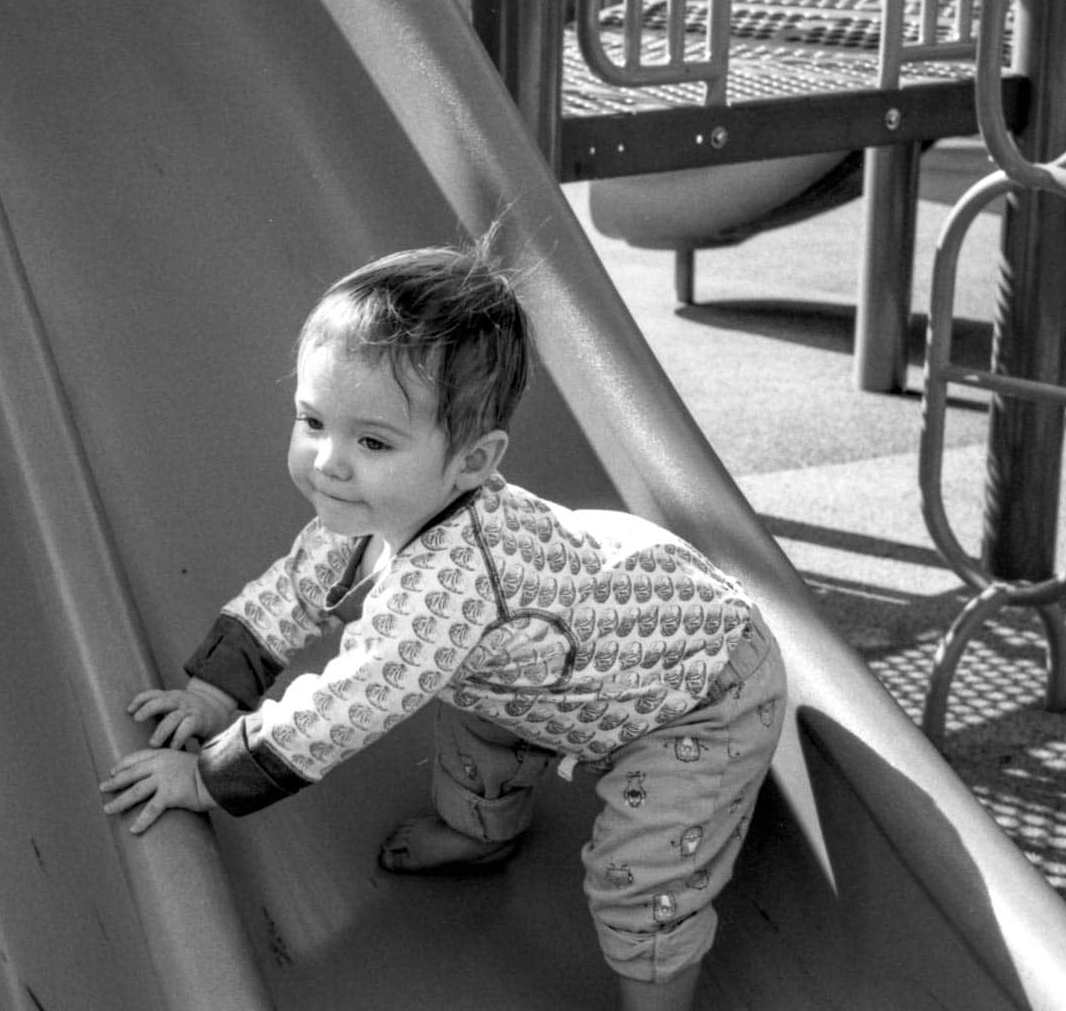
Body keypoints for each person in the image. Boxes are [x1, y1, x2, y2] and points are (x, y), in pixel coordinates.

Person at [99, 238, 786, 1010]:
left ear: (471, 462)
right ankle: (482, 831)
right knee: (473, 702)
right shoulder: (368, 504)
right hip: (568, 655)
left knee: (639, 880)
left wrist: (207, 775)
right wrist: (210, 695)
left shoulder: (451, 585)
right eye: (312, 419)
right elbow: (294, 590)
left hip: (699, 693)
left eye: (371, 441)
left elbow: (351, 703)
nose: (328, 460)